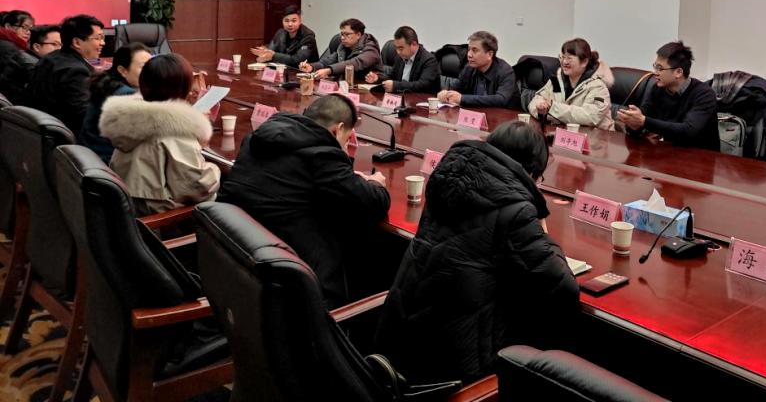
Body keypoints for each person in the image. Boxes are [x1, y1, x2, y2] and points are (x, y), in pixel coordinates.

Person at [375, 121, 579, 384]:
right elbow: (562, 288)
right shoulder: (515, 208)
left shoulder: (448, 179)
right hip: (452, 366)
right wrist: (544, 233)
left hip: (398, 338)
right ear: (529, 173)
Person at [217, 94, 390, 307]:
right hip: (298, 284)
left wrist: (345, 176)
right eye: (346, 139)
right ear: (337, 130)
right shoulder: (323, 154)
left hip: (238, 261)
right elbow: (374, 203)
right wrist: (374, 183)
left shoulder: (257, 137)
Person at [100, 53, 220, 215]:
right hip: (159, 217)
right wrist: (215, 169)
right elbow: (197, 187)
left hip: (129, 206)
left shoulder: (131, 116)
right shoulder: (175, 127)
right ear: (184, 88)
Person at [615, 40, 719, 149]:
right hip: (670, 152)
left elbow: (688, 131)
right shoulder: (657, 89)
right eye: (655, 66)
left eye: (660, 68)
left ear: (678, 72)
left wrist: (643, 121)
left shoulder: (704, 94)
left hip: (701, 155)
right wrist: (633, 123)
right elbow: (642, 119)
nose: (655, 72)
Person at [29, 14, 104, 134]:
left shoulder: (50, 58)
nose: (103, 43)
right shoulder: (75, 71)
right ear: (77, 42)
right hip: (66, 135)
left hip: (39, 129)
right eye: (98, 38)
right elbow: (84, 116)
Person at [79, 42, 151, 163]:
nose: (151, 72)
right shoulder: (126, 96)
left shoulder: (107, 85)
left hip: (92, 158)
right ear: (123, 70)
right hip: (108, 162)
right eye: (144, 67)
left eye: (151, 66)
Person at [528, 38, 613, 129]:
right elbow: (536, 101)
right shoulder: (556, 80)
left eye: (569, 58)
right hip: (561, 133)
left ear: (584, 62)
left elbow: (590, 117)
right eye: (562, 57)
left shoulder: (598, 86)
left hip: (596, 136)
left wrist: (553, 109)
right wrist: (541, 109)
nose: (564, 62)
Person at [436, 30, 516, 108]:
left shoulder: (505, 72)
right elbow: (456, 87)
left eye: (474, 50)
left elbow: (501, 99)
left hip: (501, 115)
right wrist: (446, 93)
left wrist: (462, 99)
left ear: (489, 54)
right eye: (469, 50)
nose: (469, 55)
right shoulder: (469, 68)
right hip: (474, 113)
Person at [299, 18, 384, 81]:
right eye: (342, 34)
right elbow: (327, 62)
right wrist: (312, 67)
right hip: (347, 86)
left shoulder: (371, 49)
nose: (342, 38)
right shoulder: (344, 46)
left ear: (358, 35)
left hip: (368, 89)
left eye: (347, 34)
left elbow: (355, 63)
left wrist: (329, 70)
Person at [364, 26, 439, 94]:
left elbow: (423, 85)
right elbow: (392, 77)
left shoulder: (429, 60)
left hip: (419, 100)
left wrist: (396, 86)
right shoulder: (400, 57)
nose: (398, 52)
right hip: (400, 97)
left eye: (401, 48)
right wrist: (378, 78)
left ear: (414, 44)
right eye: (396, 48)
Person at [250, 4, 318, 67]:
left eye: (294, 21)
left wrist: (273, 56)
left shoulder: (308, 36)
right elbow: (270, 51)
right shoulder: (280, 33)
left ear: (300, 21)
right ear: (282, 21)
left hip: (305, 72)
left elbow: (298, 60)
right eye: (286, 21)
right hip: (285, 70)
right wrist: (264, 54)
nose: (290, 24)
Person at [0, 10, 36, 104]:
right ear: (8, 26)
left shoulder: (13, 45)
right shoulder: (8, 47)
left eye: (31, 29)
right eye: (24, 27)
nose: (28, 32)